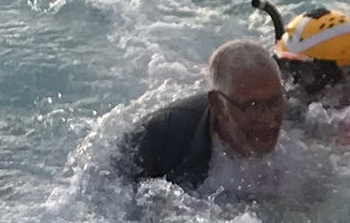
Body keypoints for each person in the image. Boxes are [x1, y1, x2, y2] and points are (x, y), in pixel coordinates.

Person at [122, 39, 286, 189]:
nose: (269, 118)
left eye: (275, 102)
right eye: (252, 106)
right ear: (218, 105)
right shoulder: (158, 139)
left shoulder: (298, 122)